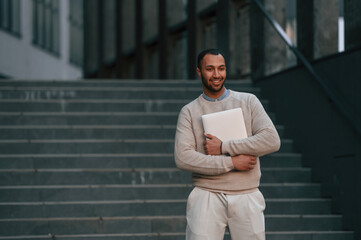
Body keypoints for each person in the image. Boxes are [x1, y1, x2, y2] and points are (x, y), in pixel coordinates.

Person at [174, 49, 281, 240]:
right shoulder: (189, 111)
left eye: (221, 68)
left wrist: (224, 147)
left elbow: (271, 140)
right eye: (210, 69)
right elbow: (183, 157)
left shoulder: (248, 101)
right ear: (199, 71)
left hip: (247, 193)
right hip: (206, 194)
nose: (217, 74)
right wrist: (232, 163)